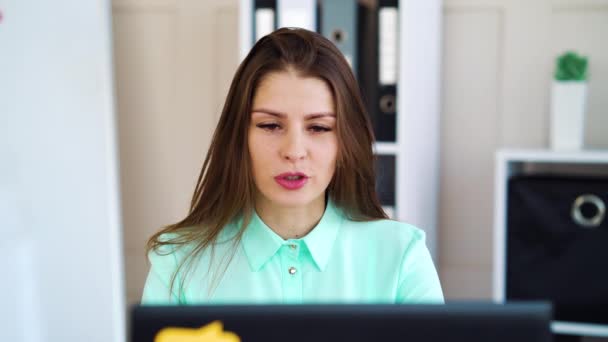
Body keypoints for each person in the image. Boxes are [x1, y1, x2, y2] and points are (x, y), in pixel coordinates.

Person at [141, 28, 444, 304]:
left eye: (319, 128)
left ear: (346, 140)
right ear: (239, 136)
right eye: (270, 125)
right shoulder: (178, 261)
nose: (294, 152)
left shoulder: (402, 256)